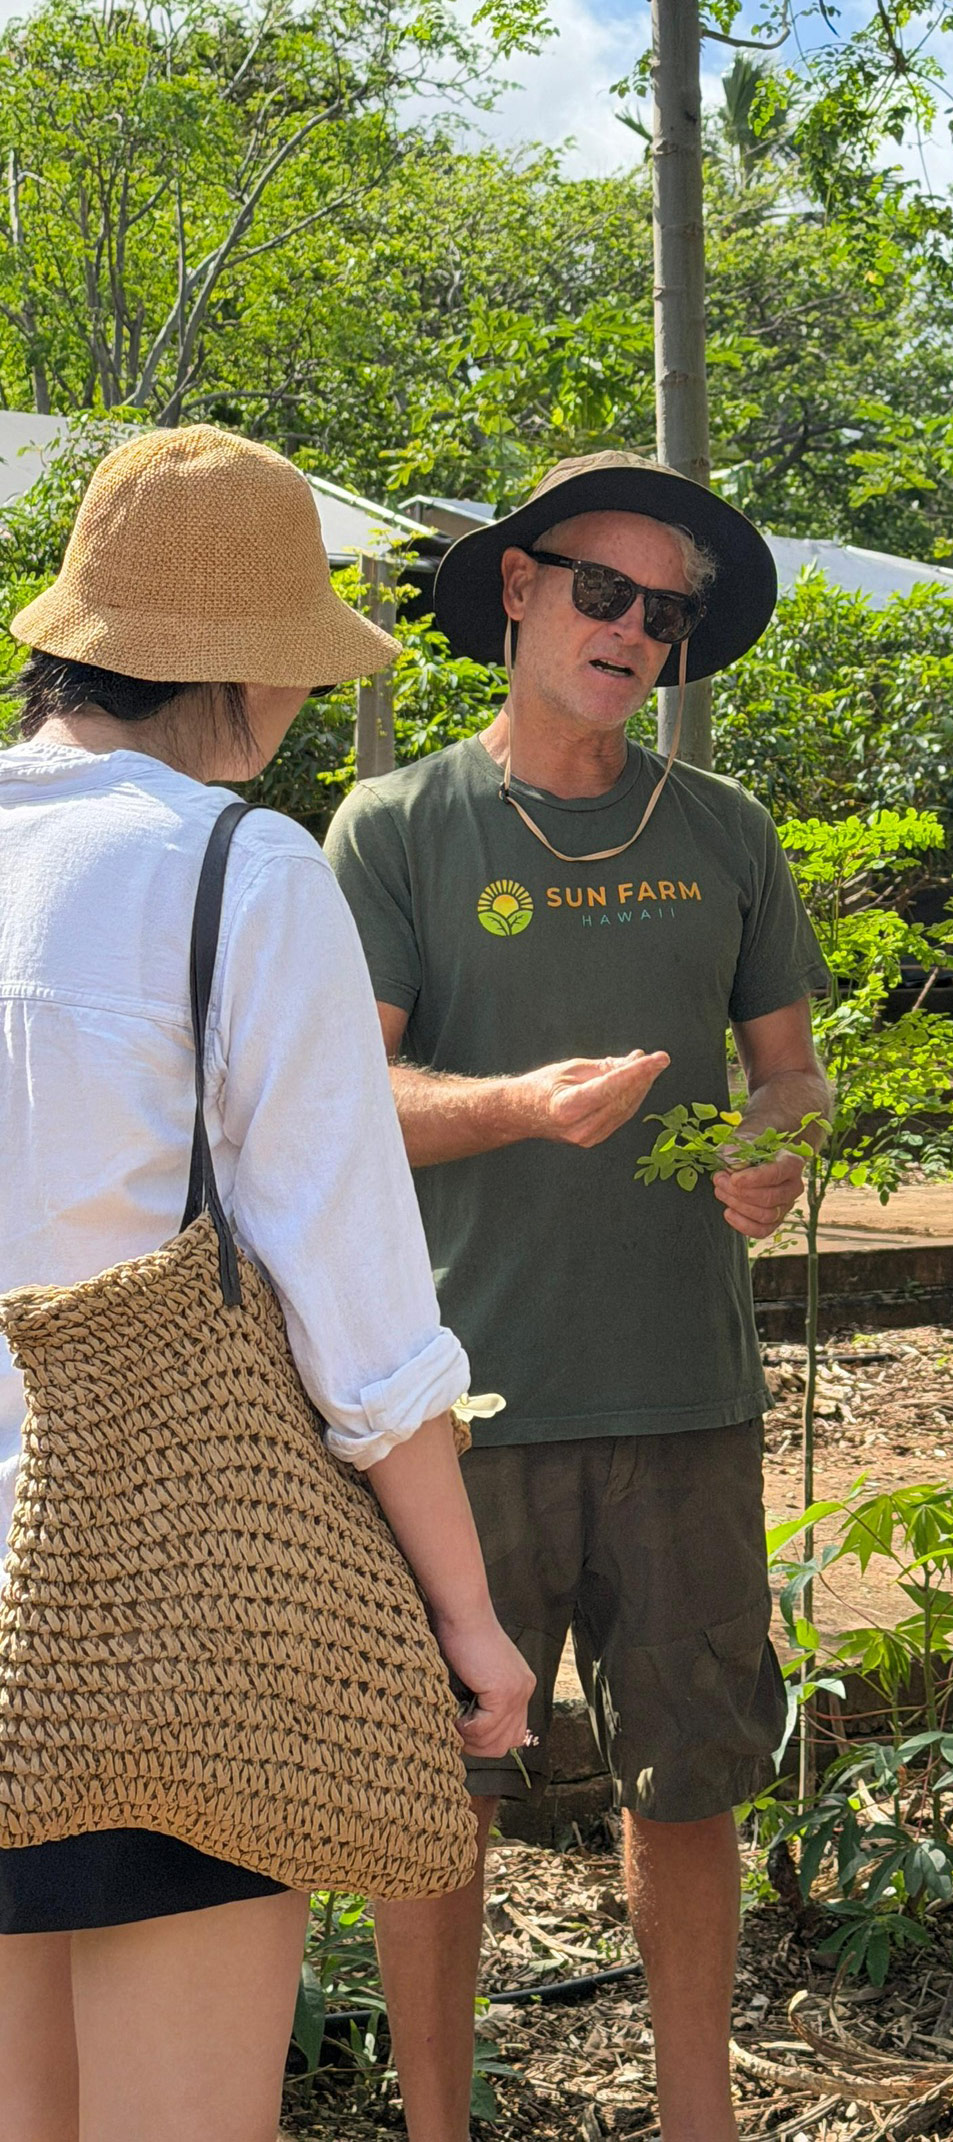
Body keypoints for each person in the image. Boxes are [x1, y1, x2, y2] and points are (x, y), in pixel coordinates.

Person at [0, 424, 534, 2142]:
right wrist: (467, 1622)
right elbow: (355, 1306)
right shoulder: (237, 867)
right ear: (239, 668)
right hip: (162, 1593)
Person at [325, 449, 831, 2142]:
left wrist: (775, 1151)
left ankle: (702, 2119)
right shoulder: (398, 827)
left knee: (691, 1783)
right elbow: (340, 1102)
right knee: (436, 1795)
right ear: (519, 589)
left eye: (666, 613)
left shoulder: (725, 831)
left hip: (686, 1393)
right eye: (603, 591)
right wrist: (519, 1107)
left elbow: (792, 1074)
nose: (633, 630)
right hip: (454, 1407)